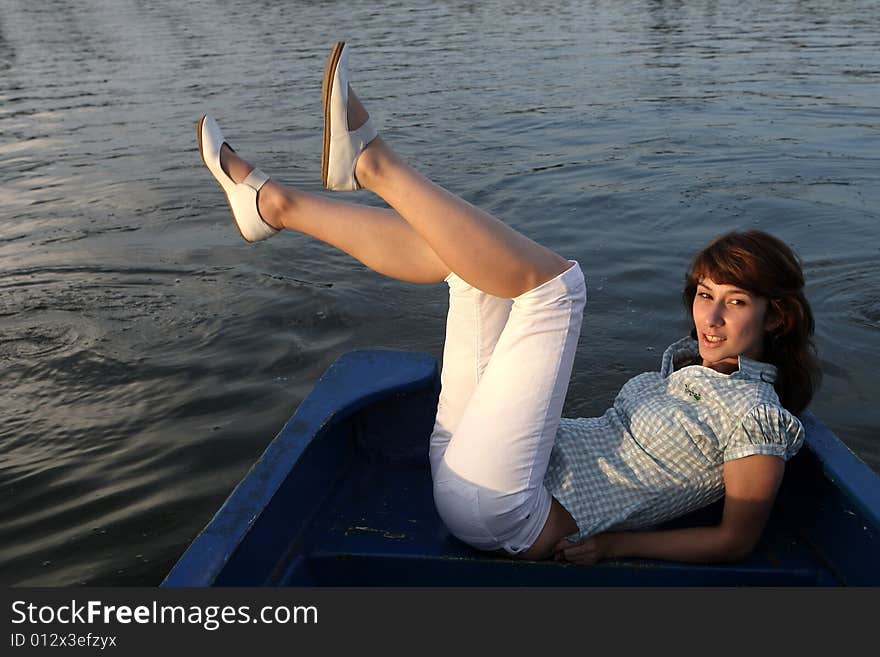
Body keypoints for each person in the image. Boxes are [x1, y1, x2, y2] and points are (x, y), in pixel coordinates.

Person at [196, 42, 820, 565]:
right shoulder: (687, 371)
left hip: (509, 513)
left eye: (734, 303)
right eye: (705, 296)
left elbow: (736, 539)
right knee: (474, 271)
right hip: (473, 464)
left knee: (558, 288)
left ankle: (375, 163)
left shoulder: (755, 416)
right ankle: (274, 206)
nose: (709, 318)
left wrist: (610, 546)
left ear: (777, 315)